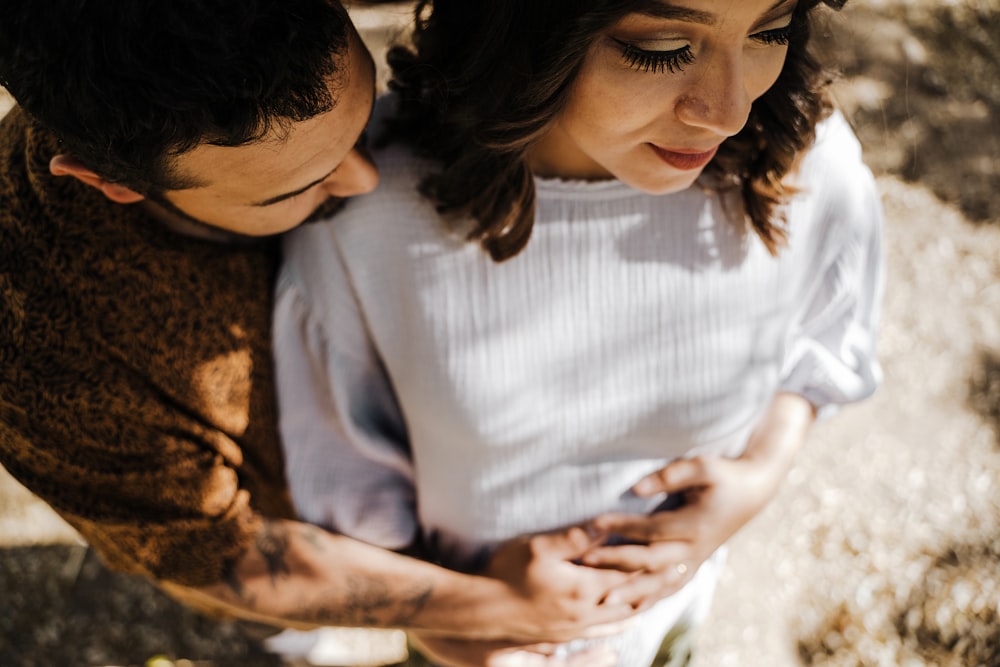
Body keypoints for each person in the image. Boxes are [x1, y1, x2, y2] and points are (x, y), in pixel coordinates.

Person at [0, 0, 659, 655]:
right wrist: (490, 608)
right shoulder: (48, 360)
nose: (367, 179)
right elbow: (222, 560)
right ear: (110, 183)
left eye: (364, 118)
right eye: (294, 188)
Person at [274, 0, 884, 664]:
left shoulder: (804, 165)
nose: (730, 109)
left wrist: (759, 475)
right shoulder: (367, 202)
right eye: (661, 49)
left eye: (770, 32)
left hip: (671, 617)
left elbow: (823, 343)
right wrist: (456, 629)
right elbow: (340, 473)